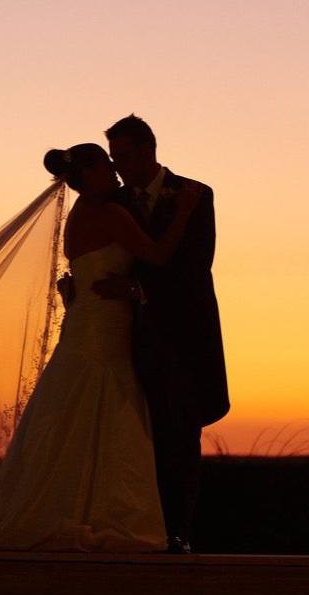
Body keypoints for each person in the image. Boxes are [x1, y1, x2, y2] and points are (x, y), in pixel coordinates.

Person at [0, 143, 197, 551]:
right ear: (87, 176)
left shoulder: (78, 215)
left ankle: (68, 507)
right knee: (106, 411)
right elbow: (158, 255)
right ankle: (102, 513)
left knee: (73, 411)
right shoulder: (108, 213)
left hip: (87, 321)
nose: (115, 171)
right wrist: (184, 210)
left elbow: (81, 272)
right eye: (106, 166)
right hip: (103, 328)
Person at [96, 115, 229, 554]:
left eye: (126, 156)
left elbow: (194, 267)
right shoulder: (114, 202)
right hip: (131, 337)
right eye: (115, 159)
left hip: (186, 336)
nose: (120, 166)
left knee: (181, 436)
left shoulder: (196, 194)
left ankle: (178, 534)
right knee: (136, 437)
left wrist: (135, 288)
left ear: (149, 149)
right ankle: (142, 529)